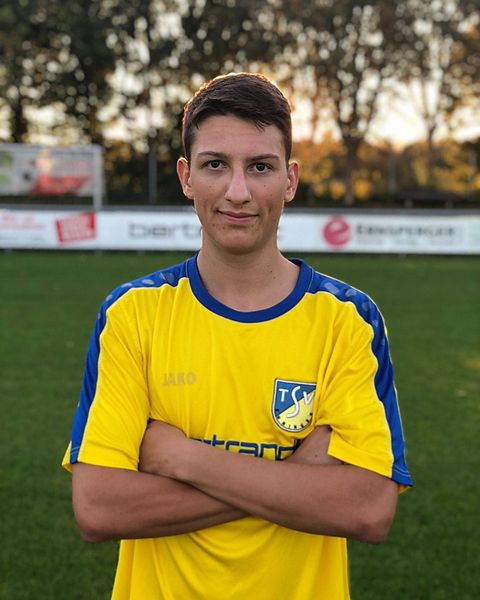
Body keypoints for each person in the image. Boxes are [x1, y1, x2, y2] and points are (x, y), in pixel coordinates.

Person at [62, 72, 412, 600]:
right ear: (186, 177)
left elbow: (367, 508)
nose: (238, 192)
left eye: (261, 167)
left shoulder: (347, 320)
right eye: (215, 165)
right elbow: (98, 507)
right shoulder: (134, 314)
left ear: (290, 180)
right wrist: (297, 477)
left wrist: (183, 459)